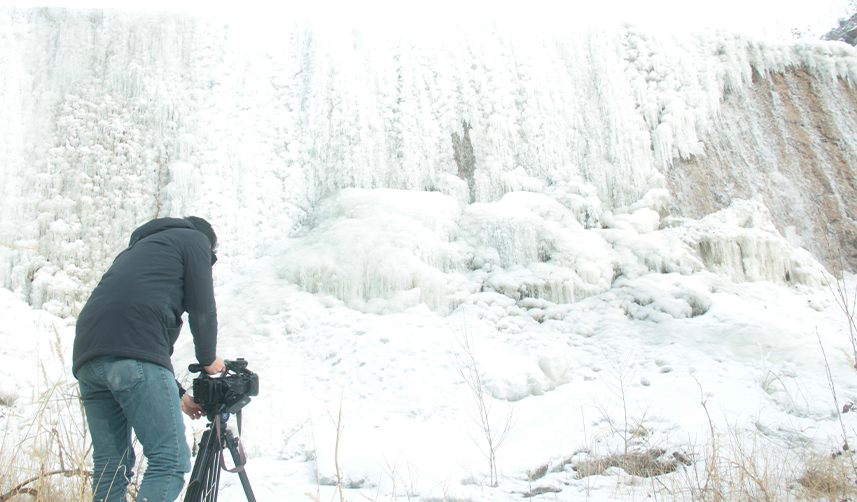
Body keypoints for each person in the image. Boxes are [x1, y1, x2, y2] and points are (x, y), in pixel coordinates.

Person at [72, 216, 226, 502]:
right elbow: (202, 309)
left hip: (88, 357)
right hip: (132, 352)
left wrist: (179, 395)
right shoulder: (193, 240)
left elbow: (142, 331)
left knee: (110, 466)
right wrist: (209, 360)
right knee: (170, 460)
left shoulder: (138, 251)